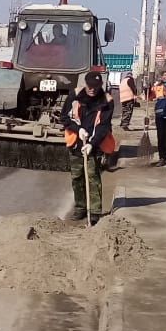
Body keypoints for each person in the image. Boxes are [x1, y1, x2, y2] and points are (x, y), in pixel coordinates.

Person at [61, 71, 115, 223]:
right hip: (76, 142)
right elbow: (64, 117)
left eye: (96, 87)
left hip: (95, 145)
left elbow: (104, 126)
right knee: (77, 177)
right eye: (90, 86)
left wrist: (92, 143)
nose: (92, 89)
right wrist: (79, 130)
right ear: (85, 84)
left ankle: (95, 211)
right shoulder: (75, 96)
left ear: (100, 86)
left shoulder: (107, 101)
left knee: (92, 177)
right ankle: (80, 208)